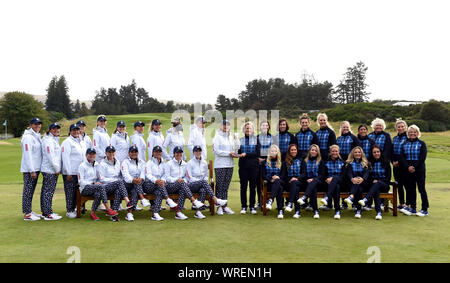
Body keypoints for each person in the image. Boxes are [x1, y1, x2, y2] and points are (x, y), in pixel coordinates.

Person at [163, 146, 205, 220]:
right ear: (174, 154)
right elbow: (167, 177)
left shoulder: (185, 164)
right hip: (170, 186)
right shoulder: (169, 164)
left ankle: (179, 212)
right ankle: (193, 201)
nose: (179, 154)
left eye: (180, 153)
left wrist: (183, 181)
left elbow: (186, 177)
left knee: (183, 189)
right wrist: (177, 180)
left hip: (181, 185)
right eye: (177, 153)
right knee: (182, 184)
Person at [186, 146, 228, 219]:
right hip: (191, 185)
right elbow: (189, 177)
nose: (198, 153)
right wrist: (200, 182)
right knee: (203, 182)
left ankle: (198, 212)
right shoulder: (190, 163)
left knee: (203, 190)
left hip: (202, 185)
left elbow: (206, 175)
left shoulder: (204, 162)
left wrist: (202, 182)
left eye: (199, 151)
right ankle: (216, 200)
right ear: (193, 152)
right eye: (196, 151)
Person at [78, 148, 119, 221]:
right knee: (100, 187)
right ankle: (108, 209)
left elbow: (98, 177)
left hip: (95, 188)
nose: (92, 155)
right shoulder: (82, 166)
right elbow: (81, 181)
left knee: (98, 194)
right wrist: (93, 183)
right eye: (90, 154)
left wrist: (96, 183)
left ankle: (92, 213)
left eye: (93, 154)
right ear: (86, 155)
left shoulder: (97, 164)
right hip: (85, 188)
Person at [98, 145, 135, 222]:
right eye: (109, 152)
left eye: (112, 152)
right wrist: (114, 181)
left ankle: (114, 213)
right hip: (105, 187)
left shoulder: (117, 162)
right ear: (106, 153)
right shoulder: (102, 163)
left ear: (115, 152)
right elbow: (101, 179)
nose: (111, 154)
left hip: (116, 185)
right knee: (119, 182)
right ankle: (128, 202)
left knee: (118, 191)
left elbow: (120, 175)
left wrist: (117, 182)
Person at [400, 125, 429, 217]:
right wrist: (408, 167)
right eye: (411, 132)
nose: (412, 133)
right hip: (408, 170)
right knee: (411, 189)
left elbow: (422, 158)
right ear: (408, 133)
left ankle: (424, 209)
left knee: (421, 189)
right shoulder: (404, 143)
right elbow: (402, 157)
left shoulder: (422, 143)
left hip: (419, 169)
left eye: (414, 132)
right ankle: (412, 208)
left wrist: (414, 167)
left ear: (418, 133)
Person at [144, 145, 179, 221]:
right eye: (156, 152)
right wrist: (156, 181)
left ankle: (155, 214)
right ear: (153, 153)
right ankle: (168, 199)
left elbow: (165, 174)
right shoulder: (149, 163)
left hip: (159, 186)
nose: (158, 153)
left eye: (159, 152)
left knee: (159, 192)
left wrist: (163, 180)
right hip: (148, 185)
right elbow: (148, 175)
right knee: (159, 186)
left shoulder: (164, 163)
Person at [212, 119, 239, 215]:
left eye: (227, 125)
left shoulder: (231, 137)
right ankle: (219, 207)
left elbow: (236, 149)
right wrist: (229, 153)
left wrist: (236, 139)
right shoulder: (217, 136)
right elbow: (216, 151)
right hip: (220, 165)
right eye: (224, 125)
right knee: (219, 186)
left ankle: (225, 206)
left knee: (225, 187)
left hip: (230, 165)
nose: (226, 127)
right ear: (221, 126)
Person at [359, 145, 392, 220]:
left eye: (378, 152)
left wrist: (379, 181)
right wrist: (373, 181)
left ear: (380, 152)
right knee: (376, 189)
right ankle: (379, 212)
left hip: (384, 185)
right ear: (372, 153)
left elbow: (388, 178)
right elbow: (367, 176)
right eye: (374, 152)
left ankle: (366, 199)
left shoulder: (386, 162)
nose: (376, 153)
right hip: (372, 185)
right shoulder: (369, 163)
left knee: (378, 184)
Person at [121, 146, 151, 221]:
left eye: (135, 152)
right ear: (129, 153)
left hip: (138, 184)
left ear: (137, 153)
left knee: (135, 191)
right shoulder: (125, 162)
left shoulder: (142, 161)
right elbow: (125, 175)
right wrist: (133, 180)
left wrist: (141, 178)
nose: (134, 153)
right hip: (127, 184)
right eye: (132, 152)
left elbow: (143, 172)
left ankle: (129, 213)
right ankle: (142, 198)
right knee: (136, 184)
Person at [21, 117, 43, 221]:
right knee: (28, 191)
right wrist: (31, 170)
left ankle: (29, 210)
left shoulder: (36, 136)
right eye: (35, 124)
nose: (37, 126)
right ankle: (27, 214)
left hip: (36, 168)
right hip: (30, 169)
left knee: (31, 190)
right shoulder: (28, 137)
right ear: (30, 125)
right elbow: (27, 154)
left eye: (39, 124)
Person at [40, 123, 63, 220]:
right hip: (50, 170)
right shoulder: (48, 140)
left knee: (47, 191)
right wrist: (57, 169)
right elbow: (51, 157)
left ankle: (46, 211)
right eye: (54, 129)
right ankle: (47, 213)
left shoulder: (53, 139)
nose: (56, 130)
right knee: (48, 192)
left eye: (58, 129)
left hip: (51, 169)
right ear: (50, 130)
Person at [61, 123, 85, 219]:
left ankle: (75, 207)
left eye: (77, 130)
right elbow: (65, 158)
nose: (76, 132)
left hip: (79, 172)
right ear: (70, 131)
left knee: (77, 192)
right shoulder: (67, 142)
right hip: (70, 172)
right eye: (73, 130)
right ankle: (69, 210)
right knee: (70, 191)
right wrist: (68, 172)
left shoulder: (80, 141)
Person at [297, 144, 325, 219]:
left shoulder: (320, 161)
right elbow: (303, 173)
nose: (313, 151)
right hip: (306, 182)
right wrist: (307, 179)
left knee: (314, 183)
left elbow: (322, 175)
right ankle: (316, 211)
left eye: (315, 150)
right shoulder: (304, 161)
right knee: (313, 189)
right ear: (309, 151)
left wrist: (313, 179)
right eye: (312, 150)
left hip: (318, 182)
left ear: (318, 152)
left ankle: (305, 197)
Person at [237, 122, 260, 215]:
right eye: (246, 128)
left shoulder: (256, 140)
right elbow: (237, 151)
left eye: (250, 128)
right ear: (244, 130)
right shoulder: (240, 140)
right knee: (243, 187)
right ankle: (243, 206)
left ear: (253, 130)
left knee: (252, 187)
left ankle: (251, 206)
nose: (248, 130)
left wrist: (246, 154)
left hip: (253, 167)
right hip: (243, 166)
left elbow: (257, 153)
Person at [343, 146, 370, 219]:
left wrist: (362, 179)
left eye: (359, 152)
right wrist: (352, 179)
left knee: (359, 186)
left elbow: (367, 173)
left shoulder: (366, 163)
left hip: (364, 183)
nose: (357, 153)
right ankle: (358, 210)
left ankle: (351, 197)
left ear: (361, 154)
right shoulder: (349, 163)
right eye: (355, 152)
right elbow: (348, 173)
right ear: (353, 154)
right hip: (352, 184)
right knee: (359, 188)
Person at [320, 145, 345, 219]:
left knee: (336, 181)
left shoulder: (343, 162)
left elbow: (343, 176)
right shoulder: (326, 162)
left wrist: (333, 178)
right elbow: (323, 174)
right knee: (336, 187)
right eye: (333, 151)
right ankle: (337, 211)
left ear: (339, 152)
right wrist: (327, 179)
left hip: (341, 183)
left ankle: (327, 197)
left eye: (336, 151)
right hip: (328, 183)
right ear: (330, 152)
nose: (334, 153)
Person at [281, 144, 306, 219]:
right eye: (292, 150)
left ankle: (290, 203)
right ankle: (297, 211)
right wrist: (289, 180)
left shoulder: (301, 160)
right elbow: (283, 175)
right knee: (295, 188)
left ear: (297, 151)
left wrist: (297, 178)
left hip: (300, 182)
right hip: (288, 184)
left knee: (295, 184)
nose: (293, 151)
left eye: (295, 150)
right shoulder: (285, 161)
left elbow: (304, 173)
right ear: (289, 151)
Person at [391, 118, 408, 211]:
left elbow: (406, 152)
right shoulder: (395, 138)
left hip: (404, 164)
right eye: (399, 127)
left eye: (402, 126)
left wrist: (399, 162)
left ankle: (408, 205)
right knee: (399, 184)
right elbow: (392, 152)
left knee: (406, 184)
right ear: (396, 128)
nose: (400, 128)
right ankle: (402, 203)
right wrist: (393, 161)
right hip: (395, 165)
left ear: (405, 127)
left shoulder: (408, 137)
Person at [263, 145, 285, 219]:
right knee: (280, 188)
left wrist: (278, 177)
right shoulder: (264, 162)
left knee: (278, 182)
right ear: (269, 152)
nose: (273, 152)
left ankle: (270, 200)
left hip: (279, 182)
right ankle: (280, 210)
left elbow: (283, 175)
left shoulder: (282, 163)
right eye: (272, 151)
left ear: (277, 152)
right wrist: (270, 179)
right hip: (268, 184)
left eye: (275, 151)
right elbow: (263, 175)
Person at [256, 120, 273, 209]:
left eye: (266, 125)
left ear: (268, 127)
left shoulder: (272, 137)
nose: (264, 127)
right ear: (260, 127)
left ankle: (266, 202)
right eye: (263, 125)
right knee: (259, 183)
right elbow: (254, 150)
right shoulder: (256, 137)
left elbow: (274, 150)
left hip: (268, 162)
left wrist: (266, 160)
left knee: (267, 181)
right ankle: (259, 202)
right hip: (258, 162)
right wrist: (258, 158)